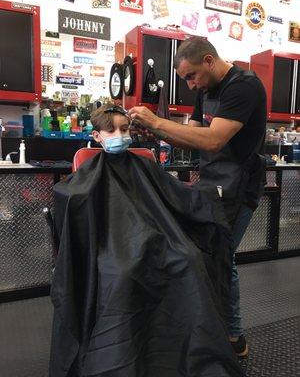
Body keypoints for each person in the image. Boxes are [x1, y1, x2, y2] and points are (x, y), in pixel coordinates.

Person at [50, 103, 244, 377]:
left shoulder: (143, 165)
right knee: (123, 272)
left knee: (188, 259)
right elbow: (68, 199)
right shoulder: (87, 175)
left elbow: (174, 194)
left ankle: (185, 348)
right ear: (96, 136)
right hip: (111, 243)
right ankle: (126, 353)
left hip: (157, 234)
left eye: (124, 129)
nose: (119, 134)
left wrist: (208, 197)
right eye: (111, 130)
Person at [129, 36, 267, 357]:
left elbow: (213, 140)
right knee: (205, 253)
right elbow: (192, 135)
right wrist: (157, 132)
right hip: (212, 182)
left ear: (208, 61)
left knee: (221, 256)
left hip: (239, 186)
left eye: (191, 76)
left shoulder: (243, 86)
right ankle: (207, 325)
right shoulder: (205, 89)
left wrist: (159, 122)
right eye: (185, 79)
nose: (190, 85)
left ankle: (233, 337)